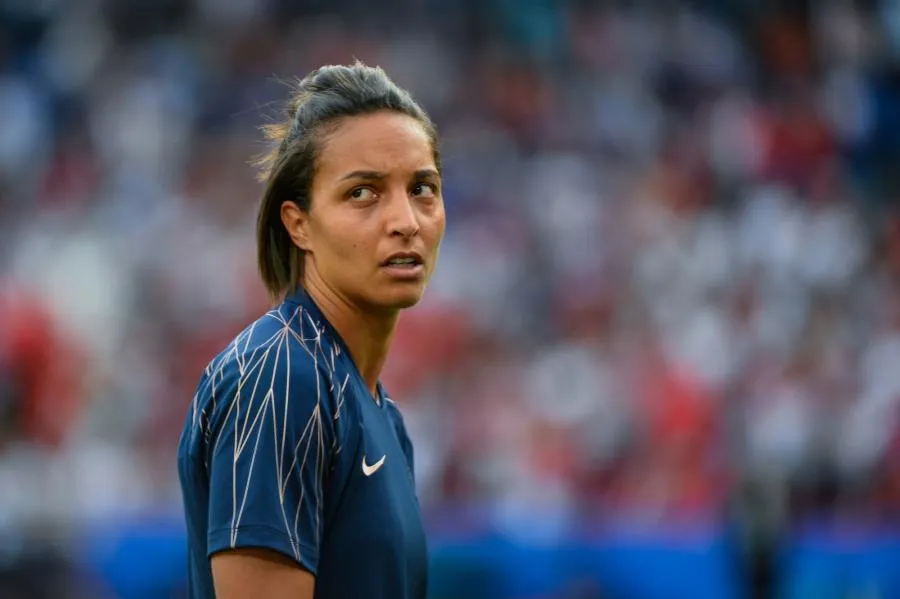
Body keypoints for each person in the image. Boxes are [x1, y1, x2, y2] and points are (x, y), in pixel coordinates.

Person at [177, 62, 446, 599]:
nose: (406, 221)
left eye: (422, 188)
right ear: (298, 223)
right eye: (363, 193)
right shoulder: (281, 377)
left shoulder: (383, 416)